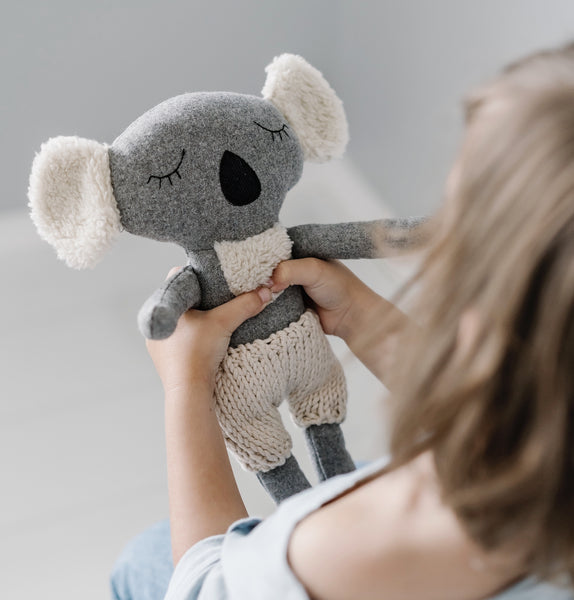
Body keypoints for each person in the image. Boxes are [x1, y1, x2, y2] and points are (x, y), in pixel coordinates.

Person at [110, 41, 574, 600]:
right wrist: (356, 314)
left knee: (142, 559)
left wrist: (185, 387)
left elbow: (204, 584)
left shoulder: (374, 545)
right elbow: (503, 415)